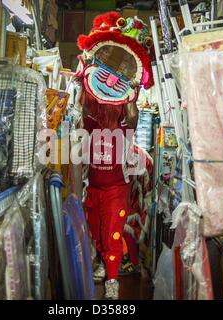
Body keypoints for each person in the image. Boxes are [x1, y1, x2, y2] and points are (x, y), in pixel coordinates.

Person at [75, 11, 154, 300]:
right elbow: (81, 102)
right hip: (92, 184)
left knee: (113, 234)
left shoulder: (124, 111)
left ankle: (112, 284)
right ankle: (103, 266)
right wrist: (83, 72)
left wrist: (132, 93)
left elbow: (132, 119)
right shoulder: (90, 108)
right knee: (94, 231)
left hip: (116, 187)